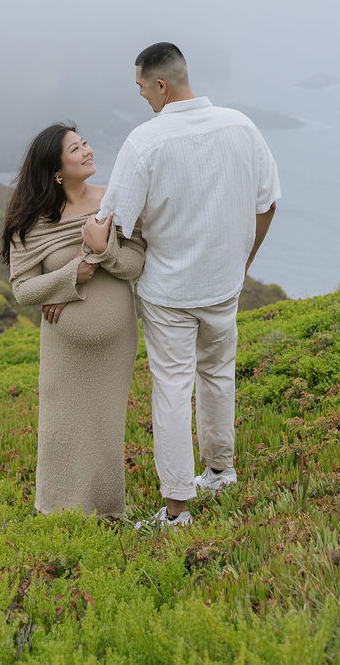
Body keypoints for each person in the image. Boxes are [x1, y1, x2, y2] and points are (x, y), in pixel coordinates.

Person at [95, 43, 279, 529]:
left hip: (169, 292)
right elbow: (267, 204)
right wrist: (243, 262)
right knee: (219, 374)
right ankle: (220, 471)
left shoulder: (145, 142)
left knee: (173, 389)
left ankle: (177, 508)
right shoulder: (242, 126)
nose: (142, 97)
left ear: (161, 84)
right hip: (223, 284)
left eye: (141, 87)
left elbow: (112, 224)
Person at [1, 122, 146, 517]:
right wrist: (70, 278)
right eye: (75, 149)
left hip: (115, 344)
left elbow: (134, 264)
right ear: (55, 170)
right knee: (60, 430)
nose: (87, 151)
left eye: (85, 143)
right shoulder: (32, 223)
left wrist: (103, 253)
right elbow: (23, 290)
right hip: (65, 347)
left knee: (105, 429)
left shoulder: (114, 202)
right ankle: (55, 511)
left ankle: (109, 512)